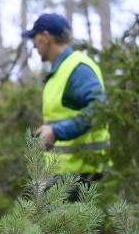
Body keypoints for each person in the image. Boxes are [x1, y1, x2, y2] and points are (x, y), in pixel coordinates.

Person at [22, 13, 111, 188]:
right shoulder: (60, 70)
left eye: (35, 37)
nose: (34, 44)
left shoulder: (77, 68)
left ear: (46, 37)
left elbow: (100, 109)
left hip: (83, 179)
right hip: (66, 178)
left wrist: (56, 132)